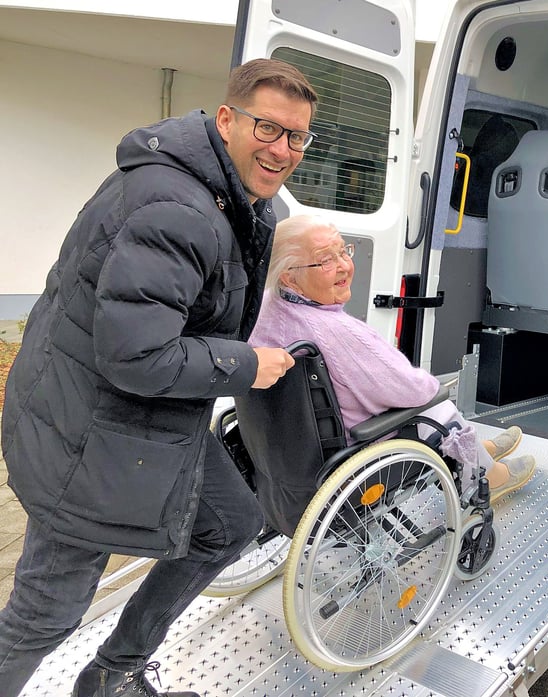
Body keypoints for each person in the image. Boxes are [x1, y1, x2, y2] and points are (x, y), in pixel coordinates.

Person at [0, 58, 318, 697]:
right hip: (88, 431)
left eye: (297, 137)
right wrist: (248, 366)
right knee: (47, 613)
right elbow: (137, 356)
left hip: (143, 420)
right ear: (227, 119)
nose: (282, 149)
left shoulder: (232, 196)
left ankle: (113, 673)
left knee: (229, 523)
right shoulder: (177, 209)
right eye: (268, 128)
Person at [247, 214, 537, 505]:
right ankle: (492, 477)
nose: (344, 266)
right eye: (325, 260)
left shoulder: (265, 307)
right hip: (350, 452)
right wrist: (433, 385)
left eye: (343, 251)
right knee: (439, 407)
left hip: (289, 453)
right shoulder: (336, 333)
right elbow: (416, 391)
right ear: (289, 276)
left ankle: (478, 451)